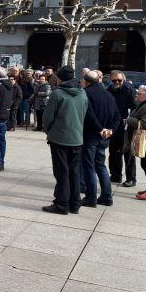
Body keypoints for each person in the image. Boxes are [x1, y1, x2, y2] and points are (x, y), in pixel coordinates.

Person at [41, 66, 88, 215]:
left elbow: (47, 118)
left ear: (60, 78)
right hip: (77, 138)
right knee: (74, 172)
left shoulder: (58, 94)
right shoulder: (82, 93)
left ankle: (61, 204)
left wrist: (50, 131)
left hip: (60, 138)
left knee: (61, 172)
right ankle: (74, 203)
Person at [80, 71, 121, 208]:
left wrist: (100, 129)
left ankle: (91, 197)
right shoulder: (108, 95)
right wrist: (110, 130)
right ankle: (106, 197)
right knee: (100, 165)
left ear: (86, 82)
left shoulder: (86, 93)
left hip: (92, 135)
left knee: (90, 166)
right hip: (104, 136)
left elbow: (89, 114)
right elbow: (117, 116)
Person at [107, 70, 136, 187]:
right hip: (113, 126)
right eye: (114, 80)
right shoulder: (108, 90)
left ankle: (131, 178)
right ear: (111, 80)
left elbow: (134, 107)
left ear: (123, 79)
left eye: (119, 80)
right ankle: (115, 175)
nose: (117, 82)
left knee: (128, 153)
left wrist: (129, 121)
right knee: (113, 152)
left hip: (126, 127)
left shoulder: (129, 90)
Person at [127, 86, 146, 201]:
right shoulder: (143, 105)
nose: (136, 96)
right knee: (145, 165)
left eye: (139, 94)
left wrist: (129, 120)